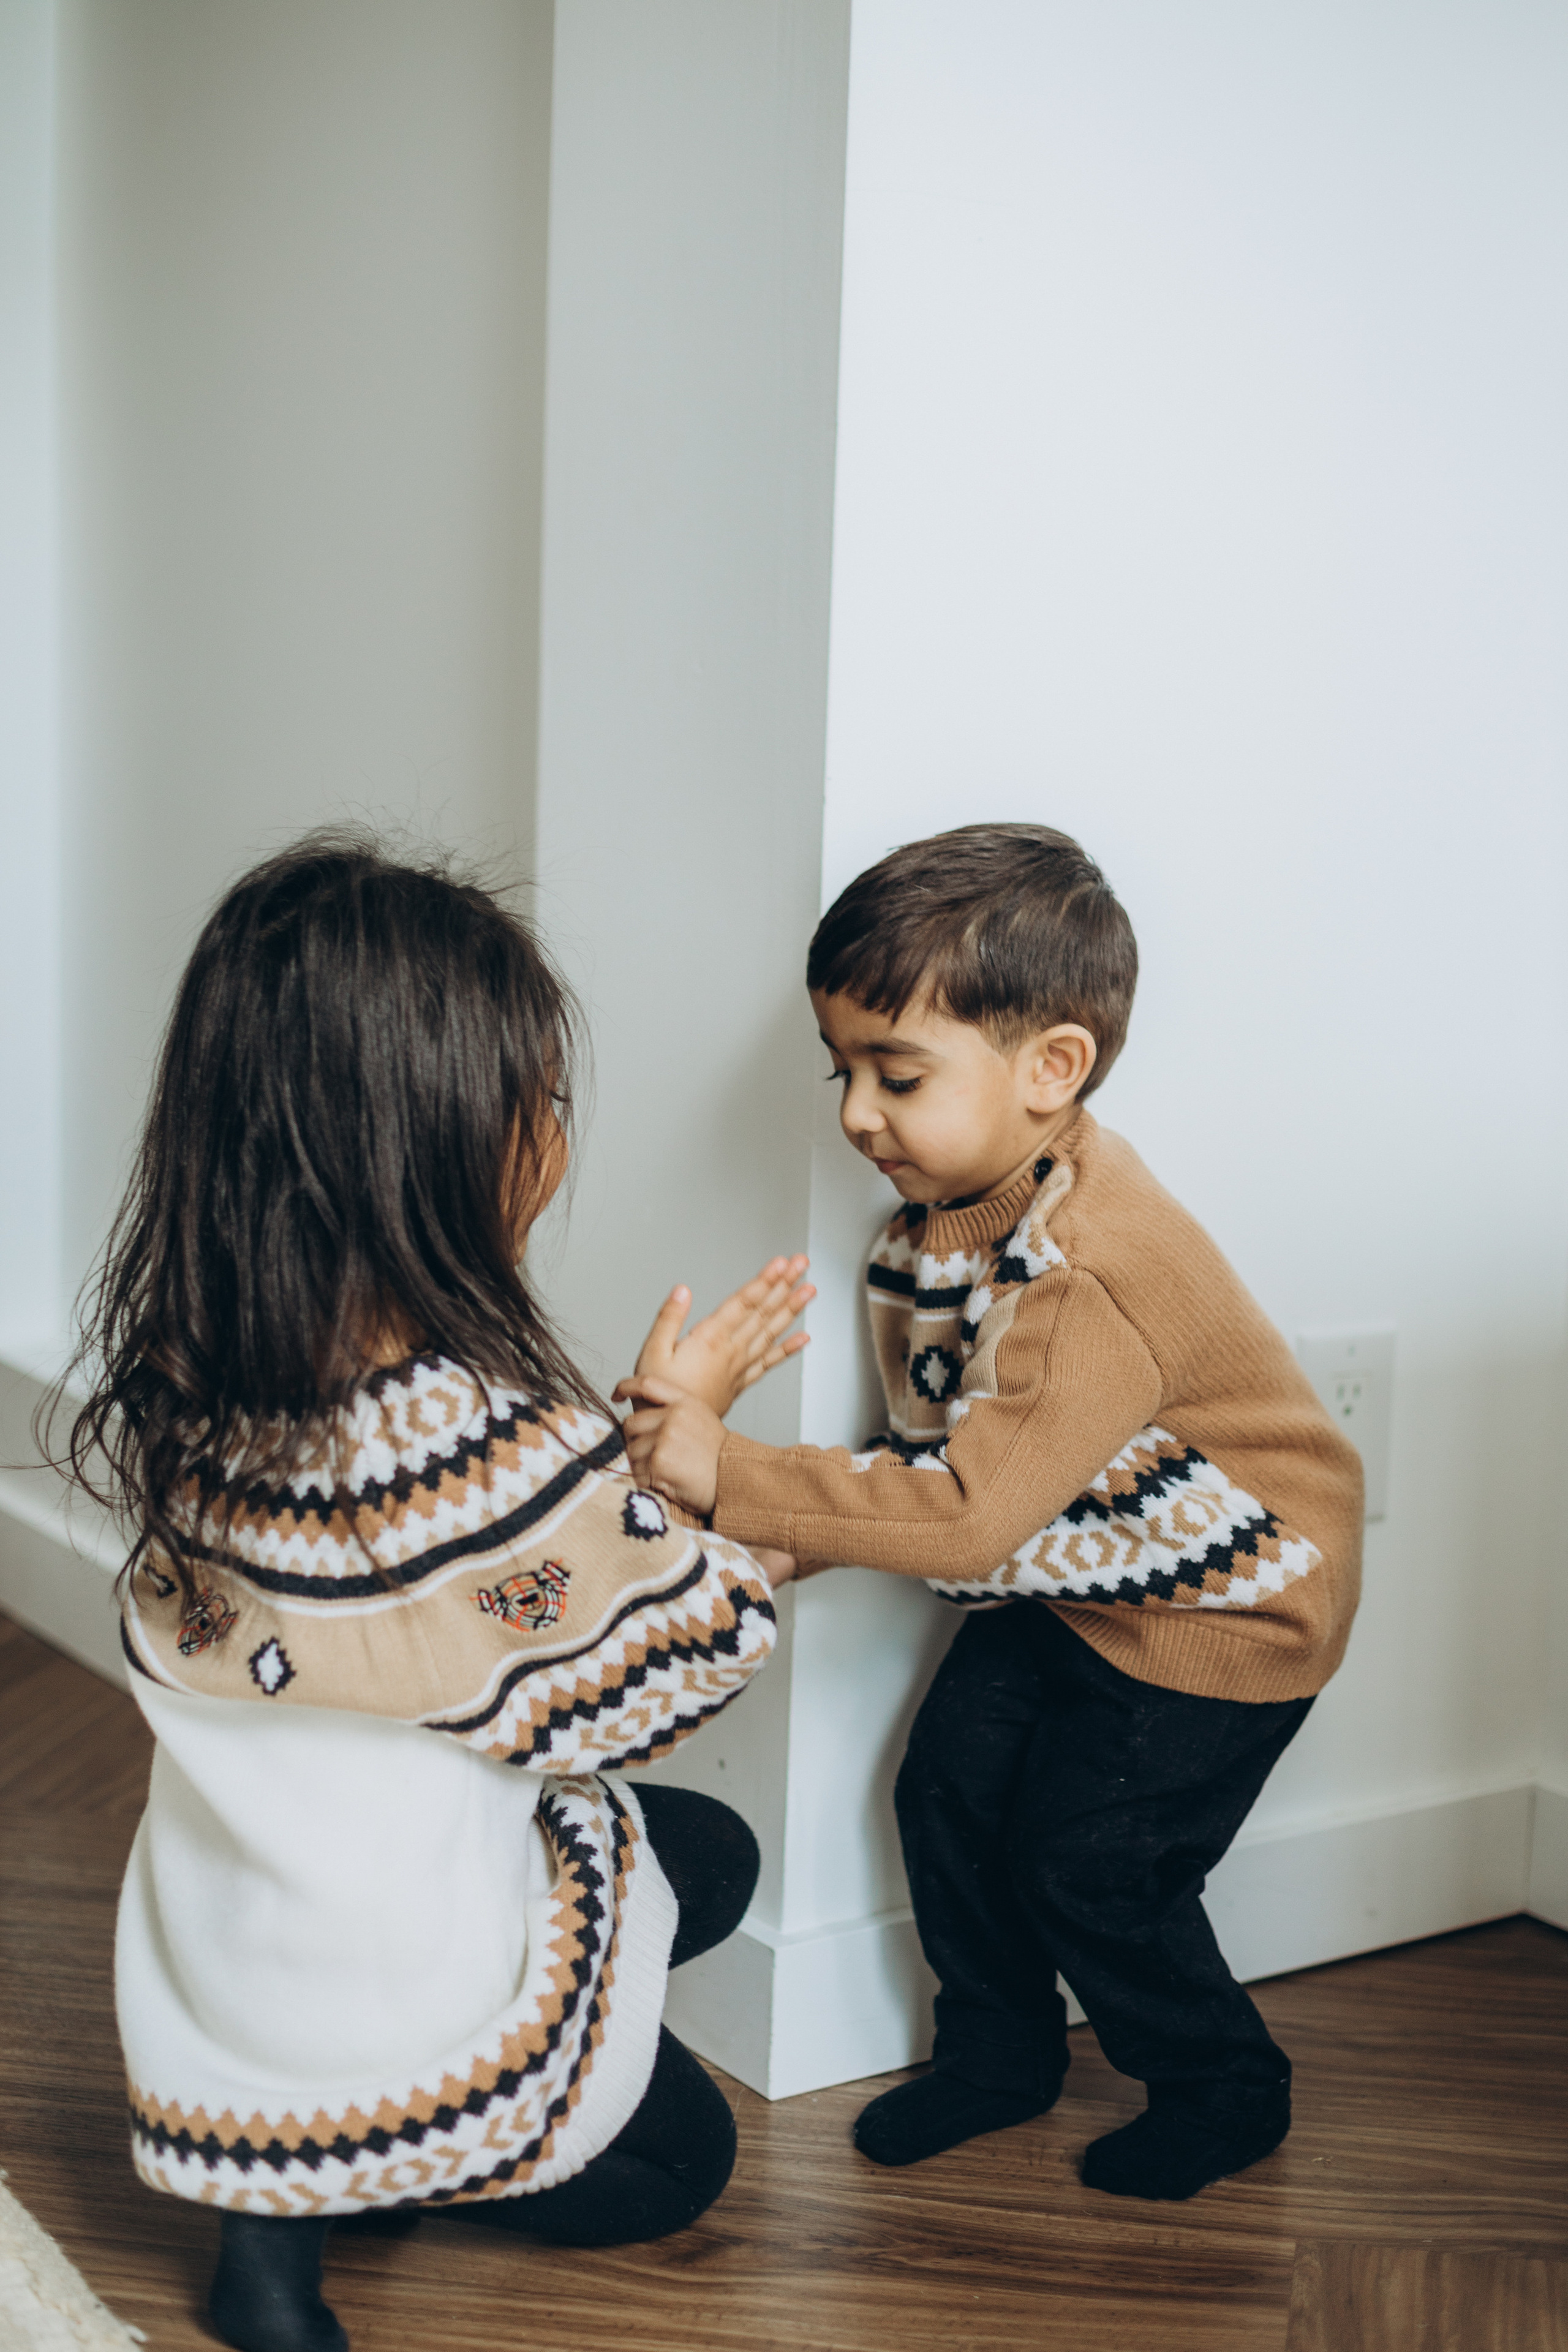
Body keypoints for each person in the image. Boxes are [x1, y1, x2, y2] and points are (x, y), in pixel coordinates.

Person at [53, 835, 807, 2352]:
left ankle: (271, 2245)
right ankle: (411, 2151)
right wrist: (702, 1466)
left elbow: (444, 1590)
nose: (562, 1138)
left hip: (225, 1973)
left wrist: (599, 1478)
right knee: (682, 2138)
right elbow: (667, 1661)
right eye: (547, 1104)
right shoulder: (474, 1443)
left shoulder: (193, 1398)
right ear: (439, 1142)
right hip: (400, 1997)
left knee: (688, 1865)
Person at [619, 821, 1363, 2204]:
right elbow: (931, 1459)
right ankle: (999, 2050)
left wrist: (727, 1465)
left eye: (895, 1075)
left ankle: (1220, 2083)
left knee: (1093, 1863)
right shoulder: (929, 1231)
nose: (854, 1113)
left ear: (1052, 1069)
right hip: (1069, 1561)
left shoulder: (1087, 1272)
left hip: (1223, 1601)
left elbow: (962, 1519)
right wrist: (757, 1542)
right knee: (946, 1792)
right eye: (841, 1069)